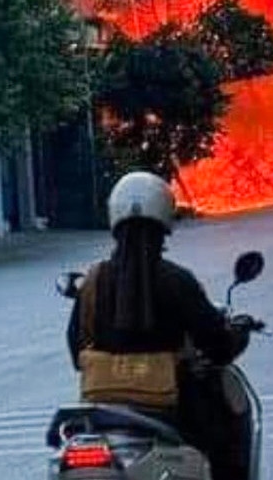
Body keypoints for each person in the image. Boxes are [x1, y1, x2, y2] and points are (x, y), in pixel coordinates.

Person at [66, 171, 253, 480]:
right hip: (173, 407)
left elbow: (76, 351)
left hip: (102, 406)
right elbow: (216, 346)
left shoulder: (93, 281)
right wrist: (237, 335)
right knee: (225, 445)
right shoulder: (177, 280)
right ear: (165, 219)